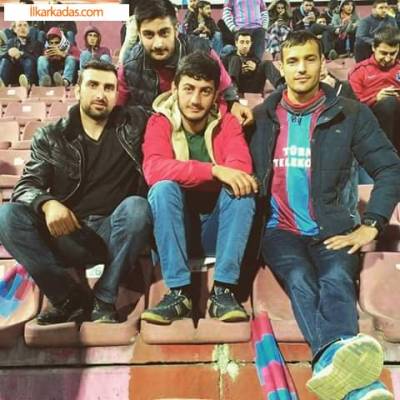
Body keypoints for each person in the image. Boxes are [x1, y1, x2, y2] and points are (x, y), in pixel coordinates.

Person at [250, 31, 399, 399]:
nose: (301, 68)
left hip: (334, 227)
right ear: (281, 67)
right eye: (293, 61)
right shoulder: (261, 116)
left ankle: (333, 368)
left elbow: (390, 168)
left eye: (309, 59)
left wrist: (371, 224)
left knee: (336, 279)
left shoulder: (351, 114)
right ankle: (360, 386)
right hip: (279, 230)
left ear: (322, 64)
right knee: (300, 278)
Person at [0, 61, 152, 325]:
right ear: (78, 90)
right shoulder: (51, 135)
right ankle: (68, 299)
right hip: (67, 231)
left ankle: (104, 298)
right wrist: (47, 203)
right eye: (93, 85)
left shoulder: (134, 123)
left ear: (117, 94)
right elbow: (26, 186)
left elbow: (171, 108)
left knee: (137, 208)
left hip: (114, 232)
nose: (100, 94)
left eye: (108, 88)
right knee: (7, 216)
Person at [140, 51, 257, 325]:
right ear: (175, 88)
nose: (195, 100)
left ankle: (223, 292)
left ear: (216, 95)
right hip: (175, 228)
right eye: (189, 89)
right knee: (163, 189)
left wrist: (220, 173)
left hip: (219, 227)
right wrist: (214, 170)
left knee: (241, 190)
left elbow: (240, 170)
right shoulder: (159, 121)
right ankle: (179, 293)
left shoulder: (228, 122)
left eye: (205, 91)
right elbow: (154, 169)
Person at [118, 0, 253, 127]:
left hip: (196, 128)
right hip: (150, 131)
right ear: (139, 35)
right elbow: (117, 108)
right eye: (149, 34)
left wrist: (234, 104)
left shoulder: (201, 50)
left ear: (176, 29)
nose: (158, 44)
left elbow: (226, 88)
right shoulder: (130, 65)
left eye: (164, 33)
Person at [349, 25, 400, 151]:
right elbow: (353, 106)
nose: (388, 58)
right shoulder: (359, 71)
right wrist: (375, 98)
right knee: (389, 103)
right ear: (373, 48)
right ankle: (387, 154)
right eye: (383, 53)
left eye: (393, 53)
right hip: (371, 118)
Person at [0, 21, 42, 88]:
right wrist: (9, 53)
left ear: (28, 29)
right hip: (14, 73)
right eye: (19, 25)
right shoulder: (10, 42)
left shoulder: (36, 43)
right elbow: (2, 58)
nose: (23, 28)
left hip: (30, 73)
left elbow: (37, 60)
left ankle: (27, 84)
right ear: (14, 29)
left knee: (28, 61)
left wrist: (21, 54)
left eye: (25, 25)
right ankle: (1, 84)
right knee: (5, 60)